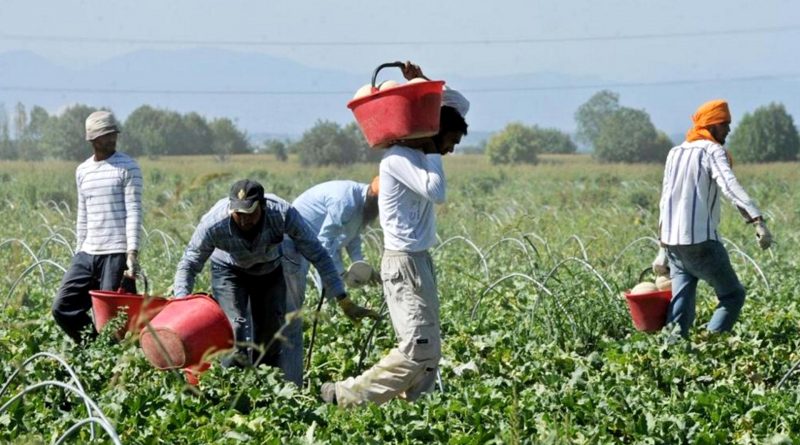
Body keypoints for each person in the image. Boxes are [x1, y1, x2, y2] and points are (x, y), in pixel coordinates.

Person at [322, 62, 469, 407]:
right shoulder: (398, 159)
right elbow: (437, 191)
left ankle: (417, 412)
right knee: (417, 347)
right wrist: (432, 147)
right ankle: (345, 395)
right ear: (435, 133)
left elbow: (459, 104)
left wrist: (421, 84)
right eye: (450, 141)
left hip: (419, 261)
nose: (451, 149)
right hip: (404, 263)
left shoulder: (416, 155)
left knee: (429, 349)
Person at [172, 179, 377, 370]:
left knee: (270, 339)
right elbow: (189, 263)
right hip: (229, 271)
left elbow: (318, 254)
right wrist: (181, 305)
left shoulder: (282, 214)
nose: (243, 220)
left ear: (262, 206)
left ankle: (264, 392)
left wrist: (343, 299)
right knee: (237, 331)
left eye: (249, 213)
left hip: (268, 271)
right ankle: (231, 391)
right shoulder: (214, 223)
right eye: (238, 214)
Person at [653, 99, 773, 338]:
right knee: (732, 295)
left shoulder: (675, 152)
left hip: (675, 245)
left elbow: (666, 199)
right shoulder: (712, 151)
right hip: (701, 243)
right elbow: (729, 185)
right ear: (711, 125)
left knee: (681, 304)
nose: (728, 129)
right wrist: (757, 221)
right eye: (724, 124)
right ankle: (711, 346)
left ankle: (671, 354)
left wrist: (662, 248)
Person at [281, 178, 381, 386]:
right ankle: (289, 378)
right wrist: (341, 274)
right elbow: (324, 244)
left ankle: (301, 367)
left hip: (313, 243)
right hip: (292, 242)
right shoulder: (345, 201)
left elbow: (353, 239)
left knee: (329, 295)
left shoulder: (362, 207)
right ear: (374, 198)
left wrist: (360, 267)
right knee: (291, 309)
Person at [52, 110, 142, 343]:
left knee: (112, 320)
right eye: (105, 135)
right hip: (88, 252)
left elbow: (134, 211)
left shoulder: (127, 167)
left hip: (115, 252)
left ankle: (111, 362)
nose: (111, 139)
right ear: (92, 139)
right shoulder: (83, 171)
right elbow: (83, 214)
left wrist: (131, 254)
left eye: (113, 134)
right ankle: (94, 350)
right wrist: (78, 250)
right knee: (63, 307)